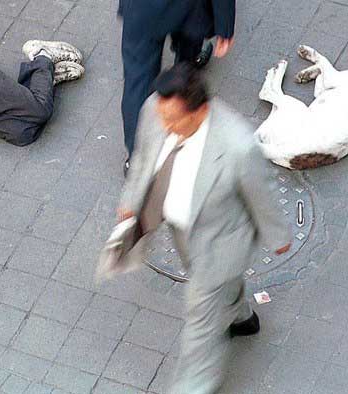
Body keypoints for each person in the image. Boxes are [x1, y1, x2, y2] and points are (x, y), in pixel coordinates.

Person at [117, 63, 291, 393]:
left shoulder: (238, 146)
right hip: (181, 229)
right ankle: (241, 317)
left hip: (220, 241)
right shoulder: (156, 107)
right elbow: (143, 159)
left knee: (201, 323)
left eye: (174, 121)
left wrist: (277, 236)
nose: (165, 126)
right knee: (215, 288)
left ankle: (192, 387)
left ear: (201, 111)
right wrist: (131, 199)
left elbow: (260, 194)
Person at [118, 0, 236, 173]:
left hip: (142, 9)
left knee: (137, 82)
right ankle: (185, 69)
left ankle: (139, 159)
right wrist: (225, 24)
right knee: (187, 53)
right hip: (189, 8)